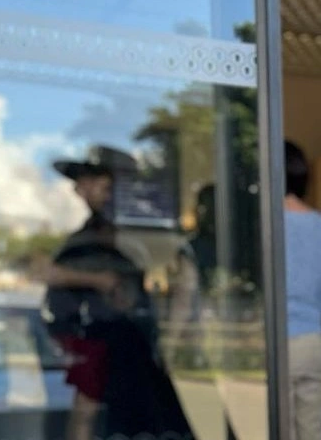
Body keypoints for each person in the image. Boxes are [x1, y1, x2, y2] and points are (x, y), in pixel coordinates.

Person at [44, 146, 193, 440]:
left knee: (111, 416)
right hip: (94, 338)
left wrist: (170, 339)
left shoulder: (134, 233)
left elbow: (178, 280)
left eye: (90, 179)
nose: (79, 187)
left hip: (126, 342)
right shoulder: (90, 236)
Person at [284, 140, 321, 440]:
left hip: (274, 343)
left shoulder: (263, 223)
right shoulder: (319, 224)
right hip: (312, 340)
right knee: (312, 430)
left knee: (278, 428)